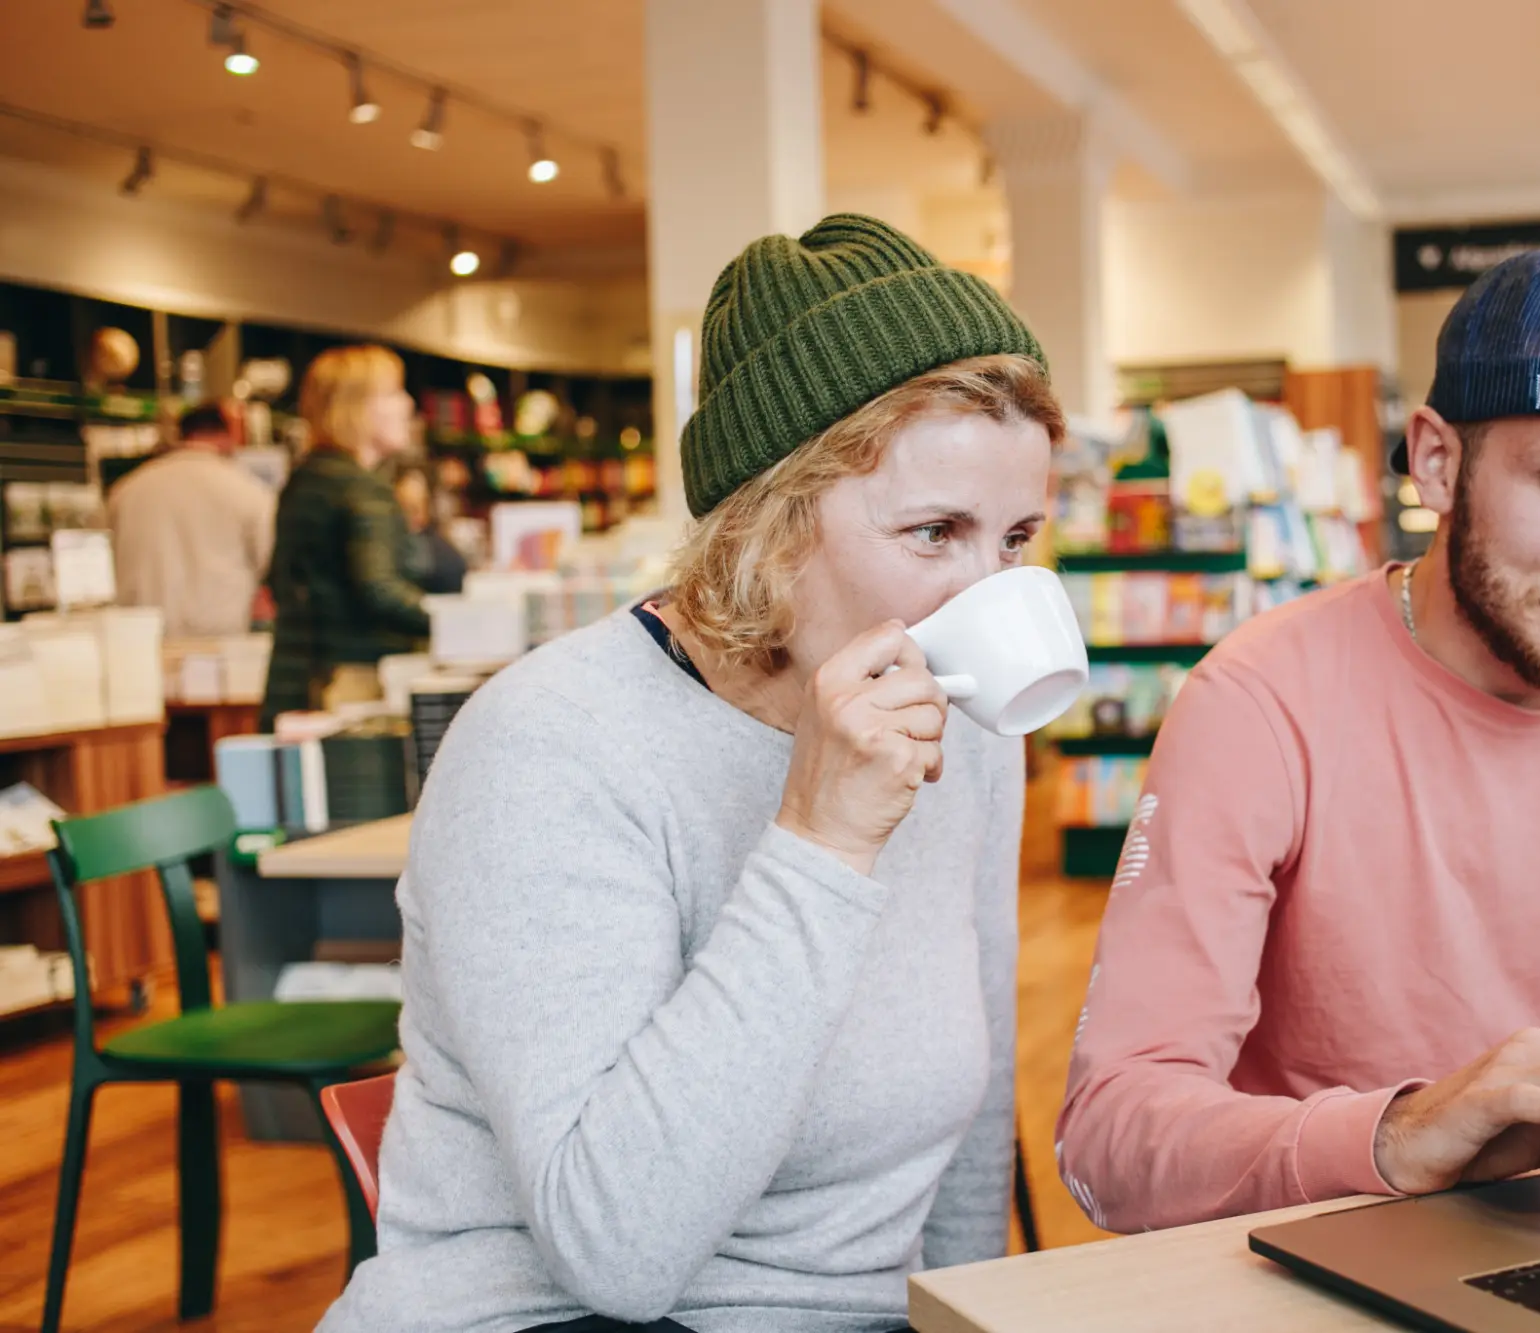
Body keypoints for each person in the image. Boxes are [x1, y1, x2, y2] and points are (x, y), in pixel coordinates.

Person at [318, 214, 1060, 1333]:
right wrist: (823, 843)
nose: (986, 592)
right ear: (767, 521)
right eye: (932, 531)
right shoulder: (549, 744)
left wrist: (960, 1313)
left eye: (1014, 539)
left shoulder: (967, 727)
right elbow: (616, 1252)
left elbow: (973, 1113)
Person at [1055, 245, 1540, 1233]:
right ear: (1436, 462)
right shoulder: (1258, 701)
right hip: (1315, 1256)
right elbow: (1108, 1142)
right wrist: (1397, 1135)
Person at [259, 345, 430, 728]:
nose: (407, 405)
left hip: (295, 680)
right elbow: (380, 591)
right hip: (350, 686)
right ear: (355, 407)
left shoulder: (305, 481)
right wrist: (455, 624)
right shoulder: (362, 489)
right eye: (392, 393)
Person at [105, 400, 275, 637]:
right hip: (219, 642)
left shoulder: (127, 490)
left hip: (141, 642)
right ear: (230, 434)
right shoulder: (248, 491)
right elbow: (272, 566)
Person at [393, 462, 468, 595]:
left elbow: (455, 570)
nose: (413, 514)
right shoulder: (386, 545)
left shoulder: (437, 547)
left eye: (417, 507)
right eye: (406, 507)